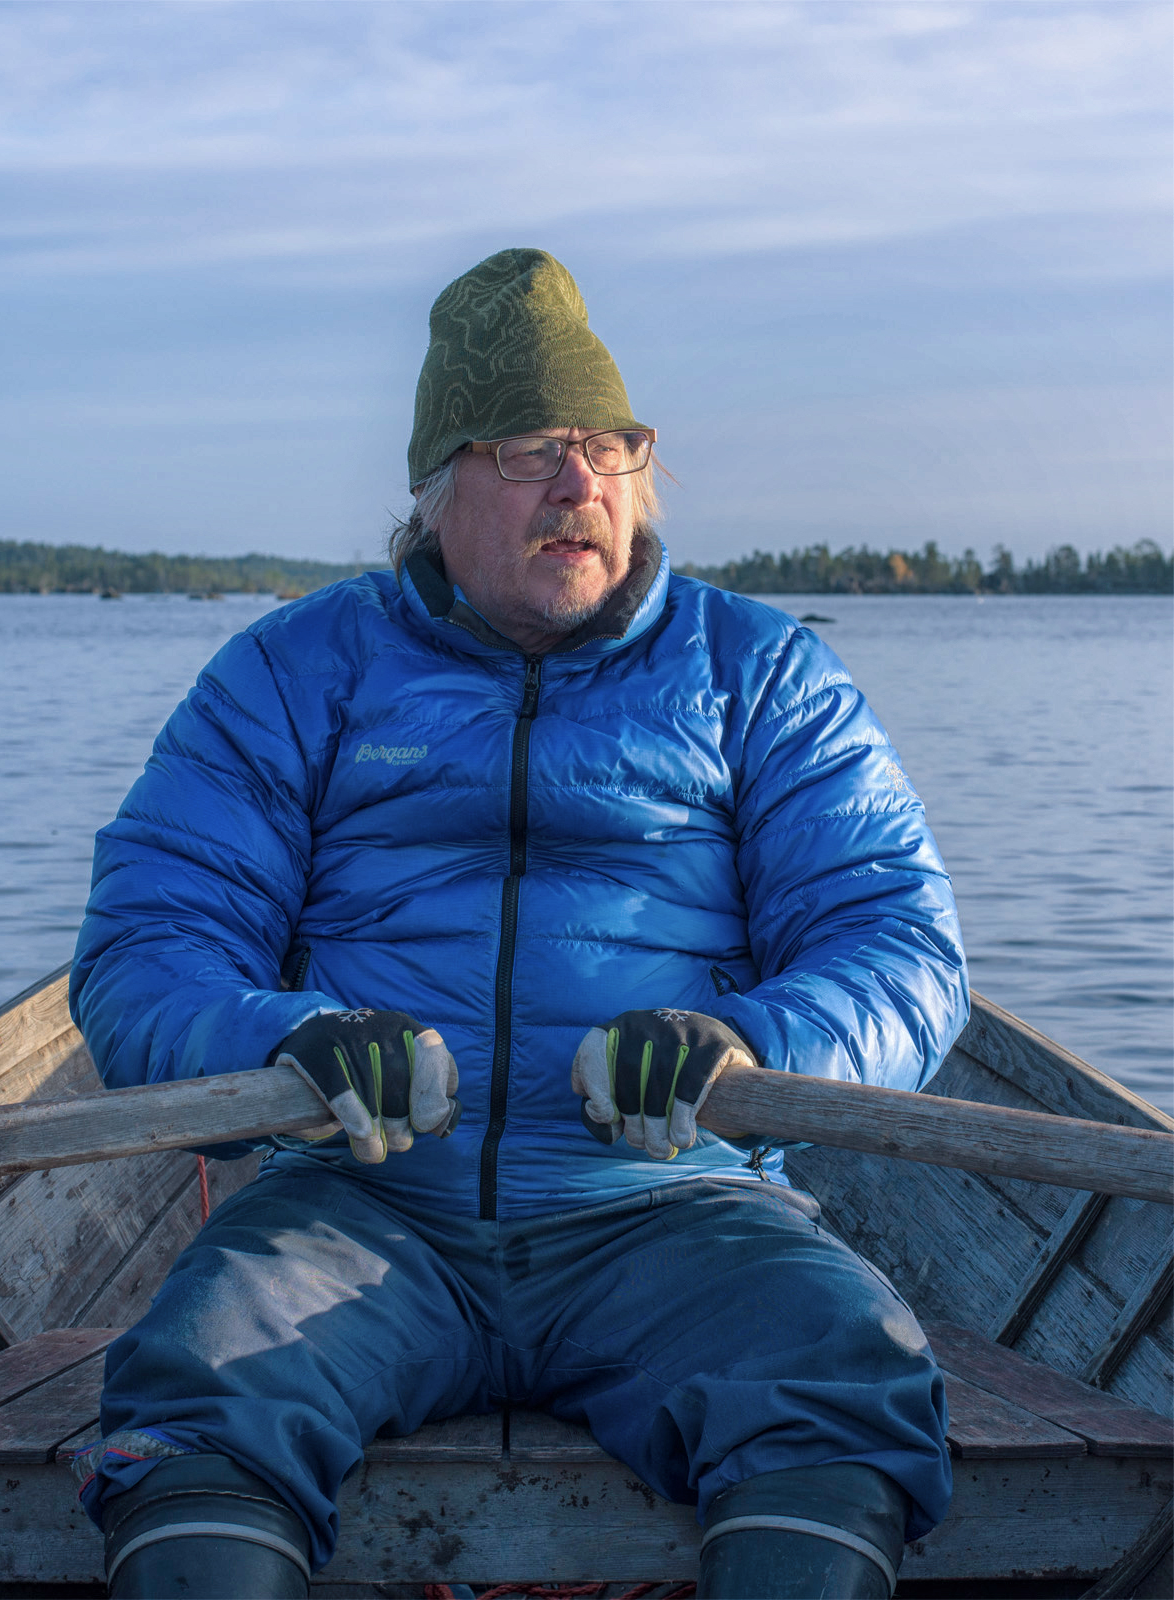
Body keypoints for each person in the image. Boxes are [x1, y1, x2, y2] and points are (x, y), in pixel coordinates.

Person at [68, 248, 969, 1600]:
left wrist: (746, 1043)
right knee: (197, 1396)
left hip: (673, 1208)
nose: (580, 485)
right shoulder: (290, 672)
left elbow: (897, 946)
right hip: (362, 1206)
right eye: (533, 449)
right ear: (439, 489)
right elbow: (148, 946)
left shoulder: (762, 675)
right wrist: (289, 1036)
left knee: (843, 1378)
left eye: (612, 448)